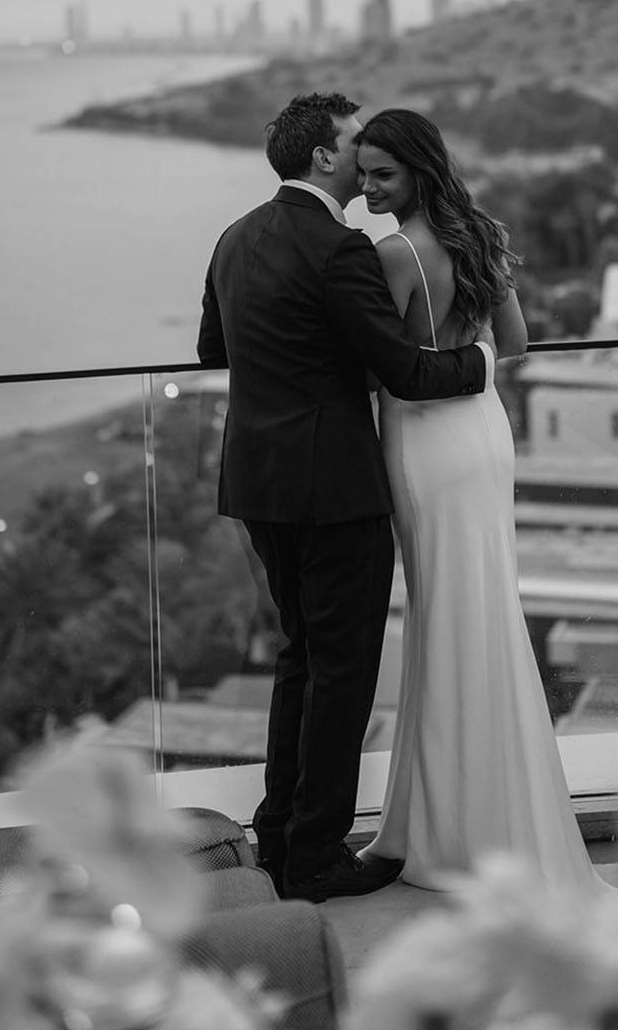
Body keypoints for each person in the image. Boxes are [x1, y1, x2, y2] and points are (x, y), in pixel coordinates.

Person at [196, 91, 495, 904]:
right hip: (334, 490)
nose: (363, 157)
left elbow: (211, 348)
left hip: (256, 483)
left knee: (300, 658)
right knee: (342, 672)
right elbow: (404, 370)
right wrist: (482, 365)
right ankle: (316, 857)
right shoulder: (341, 250)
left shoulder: (234, 237)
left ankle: (279, 830)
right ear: (324, 156)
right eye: (354, 142)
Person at [354, 108, 595, 895]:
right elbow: (514, 342)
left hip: (426, 441)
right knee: (480, 611)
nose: (366, 188)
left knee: (443, 617)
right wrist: (473, 346)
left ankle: (448, 826)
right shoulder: (479, 236)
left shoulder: (393, 254)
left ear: (419, 170)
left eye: (381, 174)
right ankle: (479, 812)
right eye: (361, 173)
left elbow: (376, 370)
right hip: (484, 436)